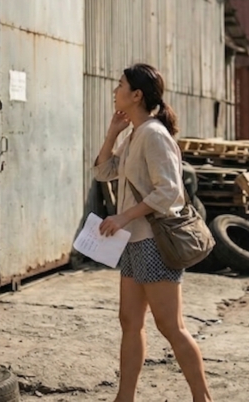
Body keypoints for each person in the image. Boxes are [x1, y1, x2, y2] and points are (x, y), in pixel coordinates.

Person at [93, 63, 213, 402]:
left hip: (154, 242)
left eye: (120, 85)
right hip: (134, 242)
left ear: (136, 95)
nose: (114, 90)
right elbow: (103, 172)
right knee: (130, 321)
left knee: (171, 326)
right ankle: (124, 398)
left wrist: (123, 217)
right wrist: (112, 133)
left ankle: (203, 399)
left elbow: (169, 191)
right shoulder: (135, 134)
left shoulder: (154, 135)